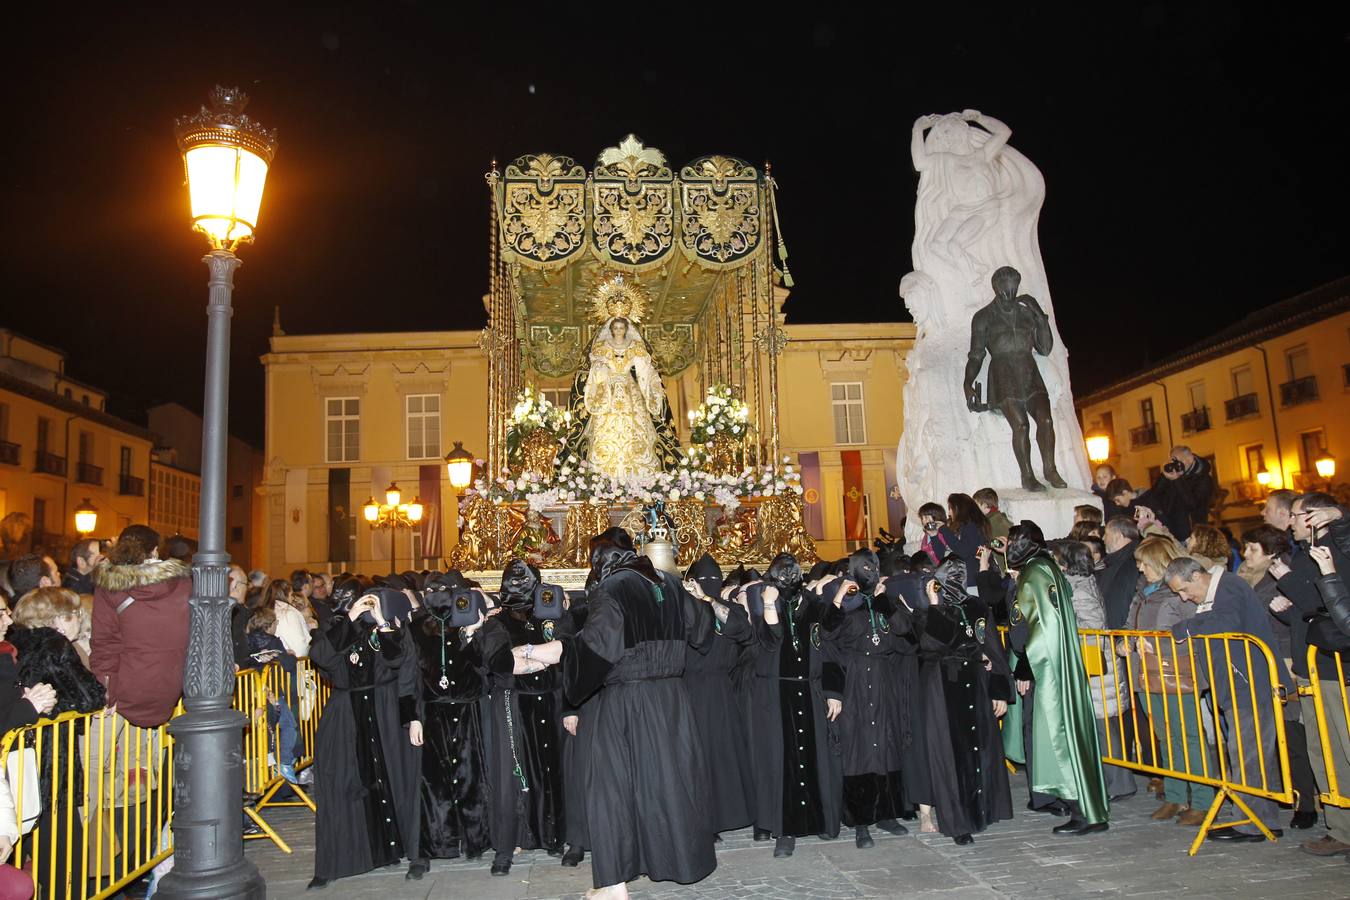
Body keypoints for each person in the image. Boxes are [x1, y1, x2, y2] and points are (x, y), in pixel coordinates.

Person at [563, 535, 717, 898]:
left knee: (611, 788)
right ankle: (682, 862)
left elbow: (598, 647)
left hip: (626, 701)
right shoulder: (672, 583)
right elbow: (703, 631)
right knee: (669, 783)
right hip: (672, 701)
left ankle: (614, 885)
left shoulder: (611, 588)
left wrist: (570, 671)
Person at [307, 586, 421, 889]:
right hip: (346, 713)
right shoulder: (335, 629)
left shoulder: (390, 627)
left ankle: (407, 849)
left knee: (396, 777)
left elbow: (401, 663)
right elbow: (322, 658)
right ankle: (343, 857)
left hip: (385, 709)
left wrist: (384, 624)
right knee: (344, 782)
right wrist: (350, 618)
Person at [1166, 556, 1287, 841]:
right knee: (1250, 754)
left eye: (1183, 590)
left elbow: (1227, 622)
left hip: (1250, 684)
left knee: (1247, 754)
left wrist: (1187, 627)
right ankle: (1262, 817)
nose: (1184, 598)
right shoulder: (1213, 593)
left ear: (1197, 576)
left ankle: (1250, 821)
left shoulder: (1228, 587)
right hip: (1235, 685)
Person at [1007, 521, 1109, 835]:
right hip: (1056, 663)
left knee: (1058, 734)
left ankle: (1082, 809)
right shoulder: (1046, 569)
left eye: (1014, 542)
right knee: (1066, 731)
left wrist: (1025, 662)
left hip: (1048, 667)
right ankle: (1085, 807)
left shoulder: (1035, 573)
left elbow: (1031, 622)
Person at [908, 552, 1013, 844]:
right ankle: (957, 821)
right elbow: (930, 646)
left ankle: (982, 808)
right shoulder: (927, 609)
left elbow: (991, 646)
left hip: (975, 683)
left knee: (979, 747)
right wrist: (935, 607)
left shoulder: (977, 607)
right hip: (941, 687)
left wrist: (999, 689)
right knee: (947, 753)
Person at [9, 586, 106, 900]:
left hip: (16, 763)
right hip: (53, 766)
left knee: (22, 847)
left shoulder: (15, 643)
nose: (80, 621)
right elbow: (91, 696)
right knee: (63, 853)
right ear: (61, 618)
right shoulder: (56, 645)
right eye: (76, 615)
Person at [1270, 492, 1350, 856]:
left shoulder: (1335, 551)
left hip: (1334, 669)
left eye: (1296, 515)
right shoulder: (1306, 554)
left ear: (1316, 516)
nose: (1289, 522)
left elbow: (1324, 602)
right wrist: (1287, 610)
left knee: (1343, 751)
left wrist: (1287, 580)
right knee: (1323, 753)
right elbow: (1310, 616)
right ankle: (1339, 827)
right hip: (1310, 667)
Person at [480, 560, 569, 875]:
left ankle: (551, 835)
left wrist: (527, 653)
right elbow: (504, 664)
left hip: (550, 702)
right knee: (511, 776)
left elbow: (564, 653)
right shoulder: (496, 623)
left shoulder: (550, 614)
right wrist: (541, 657)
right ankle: (507, 845)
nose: (519, 588)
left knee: (550, 770)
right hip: (512, 704)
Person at [822, 549, 913, 848]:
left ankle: (887, 813)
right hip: (856, 682)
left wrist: (886, 601)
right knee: (859, 748)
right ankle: (861, 821)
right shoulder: (846, 604)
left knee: (887, 743)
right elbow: (827, 639)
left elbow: (906, 634)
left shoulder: (885, 601)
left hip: (884, 679)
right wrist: (839, 598)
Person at [404, 572, 492, 878]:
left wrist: (473, 633)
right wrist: (412, 717)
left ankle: (474, 838)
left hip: (468, 712)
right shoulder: (415, 628)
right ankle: (440, 841)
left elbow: (483, 668)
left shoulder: (467, 620)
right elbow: (410, 678)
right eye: (432, 590)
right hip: (433, 714)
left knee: (471, 778)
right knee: (435, 783)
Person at [1118, 537, 1210, 825]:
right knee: (1166, 737)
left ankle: (1203, 799)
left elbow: (1195, 632)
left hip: (1176, 674)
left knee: (1190, 737)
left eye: (1144, 562)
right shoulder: (1141, 594)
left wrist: (1157, 646)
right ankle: (1175, 795)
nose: (1140, 568)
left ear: (1158, 562)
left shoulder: (1178, 596)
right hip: (1146, 675)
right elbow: (1129, 625)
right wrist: (1125, 642)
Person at [1240, 524, 1319, 830]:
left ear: (1271, 554)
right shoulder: (1244, 580)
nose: (1245, 555)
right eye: (1245, 548)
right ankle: (1277, 791)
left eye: (1253, 549)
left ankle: (1305, 801)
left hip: (1281, 660)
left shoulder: (1281, 581)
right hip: (1254, 661)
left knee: (1291, 734)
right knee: (1267, 734)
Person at [962, 266, 1067, 492]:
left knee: (1046, 420)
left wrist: (1040, 315)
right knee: (1021, 425)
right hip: (1003, 376)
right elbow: (977, 354)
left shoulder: (1027, 313)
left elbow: (1045, 348)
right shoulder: (983, 317)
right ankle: (1027, 475)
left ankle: (1050, 469)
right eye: (1005, 291)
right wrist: (967, 382)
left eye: (1013, 290)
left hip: (1029, 372)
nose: (1009, 296)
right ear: (996, 288)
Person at [1051, 541, 1135, 802]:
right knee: (1098, 727)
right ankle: (1107, 780)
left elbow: (1093, 627)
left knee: (1103, 728)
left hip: (1096, 665)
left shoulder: (1079, 588)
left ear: (1067, 563)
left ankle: (1119, 784)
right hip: (1092, 664)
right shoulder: (1077, 583)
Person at [681, 554, 755, 840]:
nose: (708, 585)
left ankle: (732, 813)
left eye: (714, 581)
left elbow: (743, 631)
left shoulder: (726, 608)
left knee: (725, 754)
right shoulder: (683, 608)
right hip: (692, 689)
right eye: (703, 581)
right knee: (699, 756)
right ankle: (703, 820)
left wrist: (709, 601)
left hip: (723, 689)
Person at [89, 524, 190, 728]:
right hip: (170, 689)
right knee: (148, 759)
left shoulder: (110, 587)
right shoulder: (183, 585)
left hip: (124, 696)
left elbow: (105, 645)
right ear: (154, 551)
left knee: (99, 759)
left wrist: (106, 693)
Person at [1147, 446, 1214, 542]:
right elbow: (1155, 495)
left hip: (1192, 535)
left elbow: (1192, 504)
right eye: (1173, 461)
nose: (1176, 465)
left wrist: (1177, 480)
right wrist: (1164, 476)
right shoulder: (1174, 476)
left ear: (1190, 459)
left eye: (1178, 461)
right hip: (1170, 533)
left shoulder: (1204, 479)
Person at [1097, 517, 1142, 629]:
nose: (1103, 539)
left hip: (1124, 634)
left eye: (1106, 534)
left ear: (1118, 535)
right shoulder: (1116, 562)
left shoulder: (1136, 561)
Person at [940, 493, 991, 591]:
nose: (949, 513)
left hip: (971, 580)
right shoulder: (976, 524)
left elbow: (963, 551)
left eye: (950, 508)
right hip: (974, 576)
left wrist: (944, 530)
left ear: (958, 509)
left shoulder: (970, 526)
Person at [259, 578, 311, 658]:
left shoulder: (264, 612)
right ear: (284, 595)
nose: (293, 598)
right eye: (291, 595)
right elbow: (300, 649)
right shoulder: (288, 613)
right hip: (291, 664)